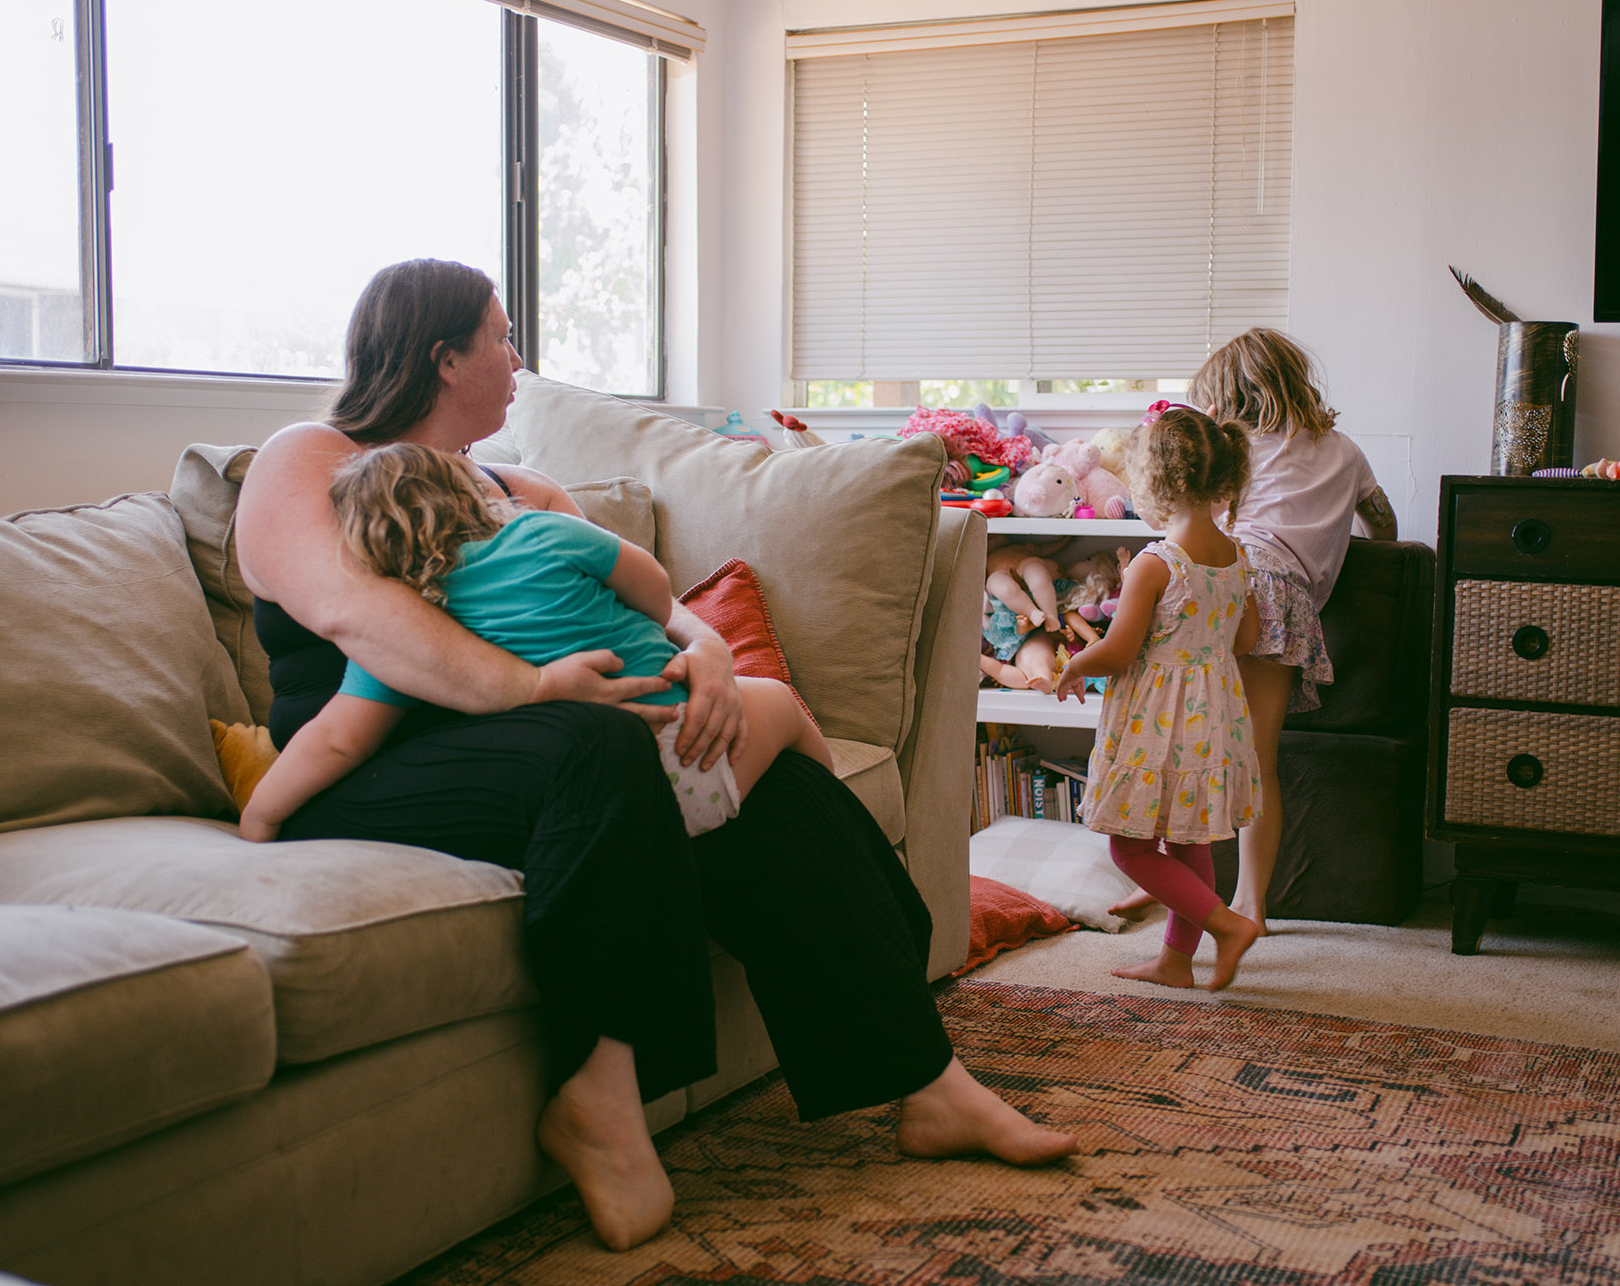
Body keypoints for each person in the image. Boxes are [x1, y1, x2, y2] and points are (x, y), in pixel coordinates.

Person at [231, 258, 1075, 1254]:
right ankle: (602, 1098)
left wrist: (707, 657)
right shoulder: (309, 458)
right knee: (606, 740)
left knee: (765, 781)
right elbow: (358, 614)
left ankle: (927, 1082)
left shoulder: (518, 488)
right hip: (373, 761)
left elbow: (636, 599)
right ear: (442, 357)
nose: (516, 361)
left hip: (549, 745)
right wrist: (537, 689)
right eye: (501, 337)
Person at [238, 442, 830, 843]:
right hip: (686, 750)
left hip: (588, 804)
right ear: (474, 494)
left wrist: (260, 815)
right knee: (779, 703)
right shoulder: (545, 531)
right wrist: (654, 621)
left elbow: (338, 739)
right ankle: (836, 796)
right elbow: (652, 583)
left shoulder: (411, 629)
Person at [1053, 402, 1264, 992]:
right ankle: (1176, 960)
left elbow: (1119, 651)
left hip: (1156, 721)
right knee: (1188, 840)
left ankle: (1227, 926)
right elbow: (1245, 639)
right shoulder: (1237, 556)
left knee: (1131, 850)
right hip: (1212, 716)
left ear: (1153, 481)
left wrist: (1074, 665)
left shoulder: (1156, 563)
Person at [1192, 328, 1397, 936]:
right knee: (1259, 760)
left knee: (1184, 737)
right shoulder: (1346, 452)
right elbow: (1383, 526)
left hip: (1224, 580)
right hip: (1283, 594)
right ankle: (1250, 906)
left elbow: (1196, 516)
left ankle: (1160, 879)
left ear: (1227, 398)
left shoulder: (1233, 448)